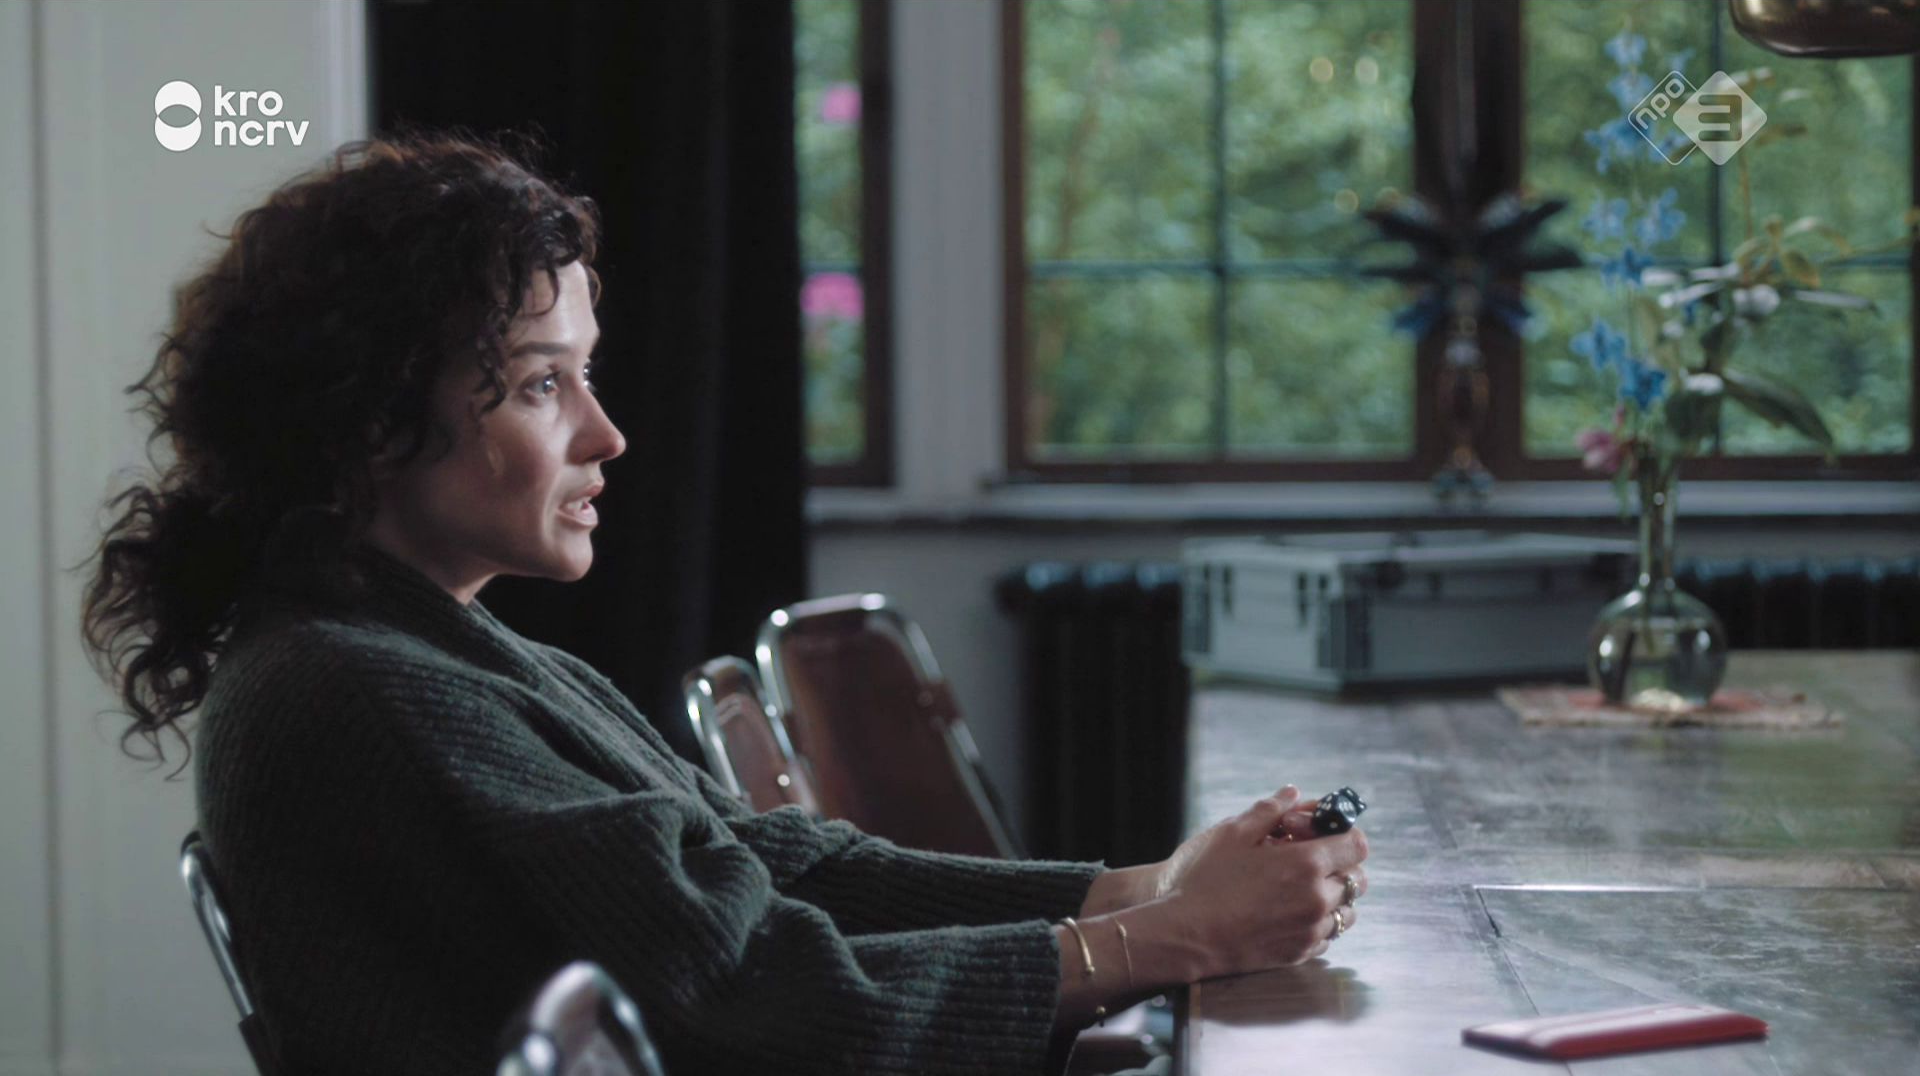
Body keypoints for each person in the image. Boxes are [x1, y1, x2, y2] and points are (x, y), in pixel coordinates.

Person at [80, 129, 1369, 1076]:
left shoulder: (430, 650)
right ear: (368, 417)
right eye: (540, 384)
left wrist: (1140, 889)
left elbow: (774, 868)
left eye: (585, 376)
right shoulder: (360, 692)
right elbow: (753, 998)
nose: (607, 435)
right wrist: (1170, 943)